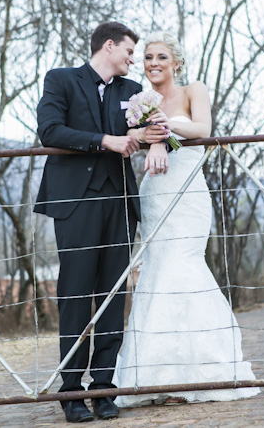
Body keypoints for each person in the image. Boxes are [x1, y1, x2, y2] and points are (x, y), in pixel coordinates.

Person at [113, 31, 260, 406]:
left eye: (161, 57)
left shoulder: (195, 89)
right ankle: (156, 375)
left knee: (186, 264)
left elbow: (203, 130)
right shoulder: (137, 99)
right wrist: (149, 135)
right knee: (156, 270)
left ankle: (202, 369)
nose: (153, 63)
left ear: (175, 62)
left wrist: (166, 126)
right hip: (155, 193)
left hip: (189, 192)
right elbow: (130, 134)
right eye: (147, 57)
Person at [34, 21, 163, 423]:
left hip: (121, 203)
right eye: (129, 52)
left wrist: (157, 140)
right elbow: (49, 130)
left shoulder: (133, 93)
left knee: (113, 296)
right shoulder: (61, 80)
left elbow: (160, 129)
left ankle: (103, 390)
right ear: (109, 46)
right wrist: (105, 140)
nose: (133, 59)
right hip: (75, 203)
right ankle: (71, 393)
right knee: (75, 295)